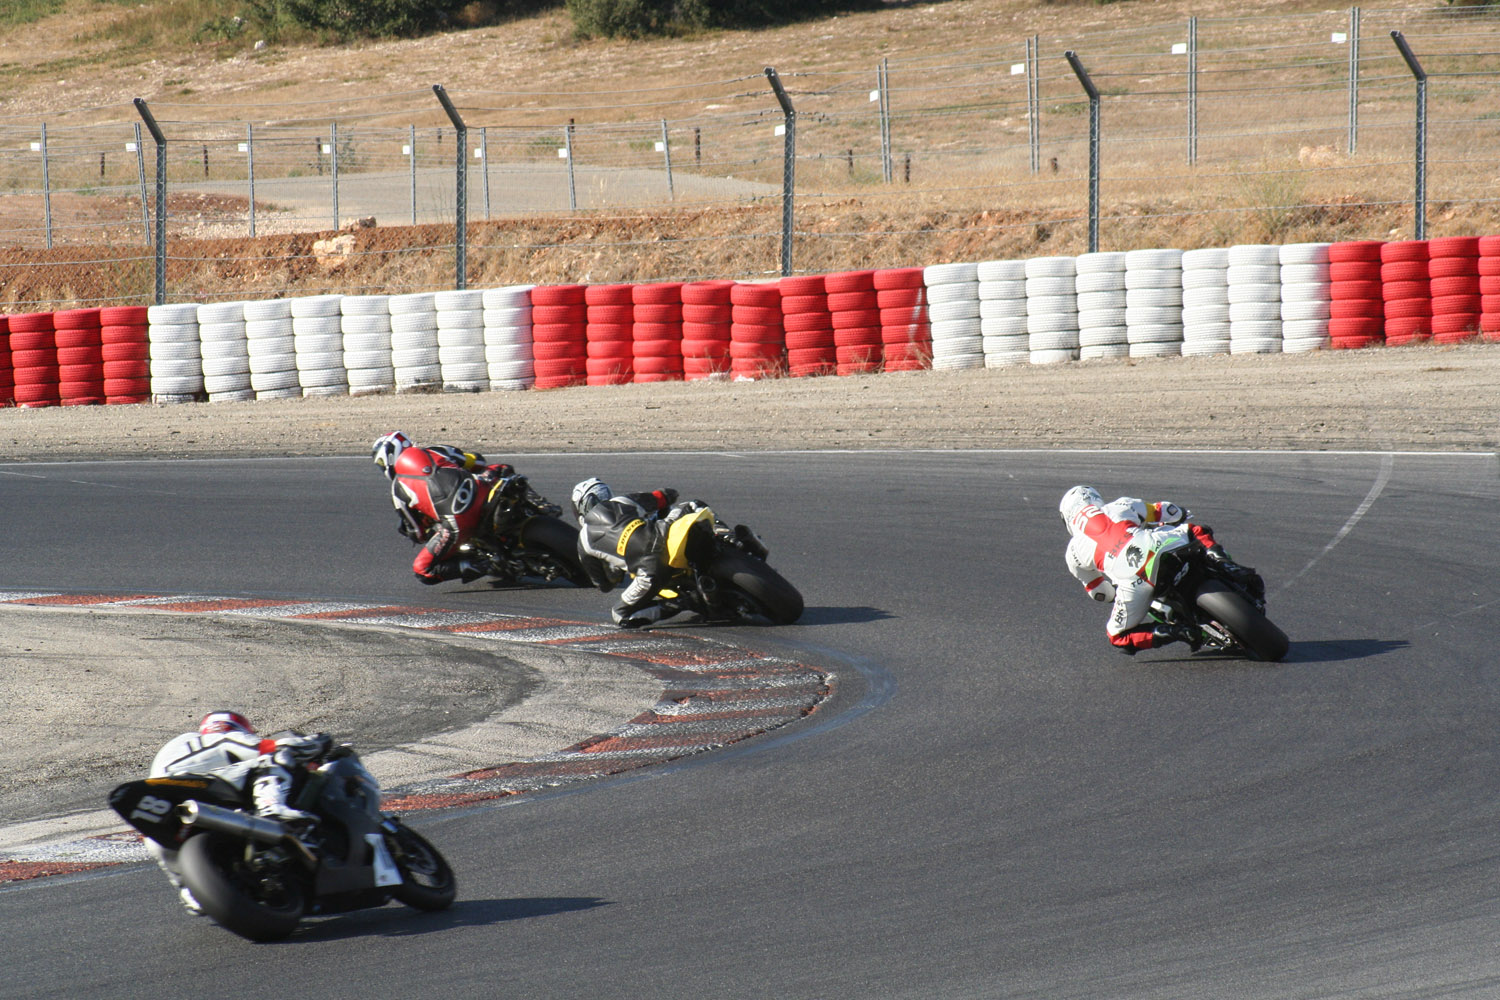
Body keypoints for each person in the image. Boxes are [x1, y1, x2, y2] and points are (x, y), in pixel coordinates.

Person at [146, 711, 332, 914]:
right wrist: (310, 743)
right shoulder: (218, 735)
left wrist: (192, 883)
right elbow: (255, 747)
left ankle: (190, 891)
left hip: (162, 808)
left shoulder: (179, 750)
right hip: (196, 785)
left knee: (159, 843)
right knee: (271, 760)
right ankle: (272, 809)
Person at [1059, 485, 1261, 655]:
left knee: (1117, 636)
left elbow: (1100, 593)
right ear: (1095, 499)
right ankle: (1226, 564)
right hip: (1157, 545)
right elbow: (1166, 510)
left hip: (1134, 581)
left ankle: (1178, 632)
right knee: (1195, 530)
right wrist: (1181, 513)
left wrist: (1116, 596)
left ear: (1068, 518)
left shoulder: (1073, 553)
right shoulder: (1119, 505)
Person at [370, 430, 522, 585]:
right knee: (502, 468)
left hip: (458, 523)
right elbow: (478, 461)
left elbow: (418, 533)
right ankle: (530, 503)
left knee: (422, 570)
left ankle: (489, 565)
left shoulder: (397, 491)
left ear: (388, 457)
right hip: (481, 491)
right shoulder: (437, 450)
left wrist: (419, 530)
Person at [571, 477, 708, 628]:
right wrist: (663, 504)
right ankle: (724, 535)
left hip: (649, 570)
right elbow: (665, 496)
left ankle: (684, 602)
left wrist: (615, 570)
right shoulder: (622, 501)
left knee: (620, 615)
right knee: (694, 505)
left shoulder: (583, 542)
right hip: (664, 532)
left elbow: (604, 585)